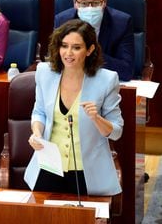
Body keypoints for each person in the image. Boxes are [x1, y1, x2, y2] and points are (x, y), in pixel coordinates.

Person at [24, 19, 123, 196]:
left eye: (76, 47)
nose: (68, 53)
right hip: (49, 166)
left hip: (87, 173)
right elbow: (39, 112)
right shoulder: (44, 72)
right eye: (64, 46)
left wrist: (97, 118)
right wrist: (37, 133)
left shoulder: (107, 80)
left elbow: (116, 131)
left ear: (90, 50)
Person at [54, 0, 134, 81]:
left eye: (96, 3)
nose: (90, 8)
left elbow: (126, 71)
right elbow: (55, 62)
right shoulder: (62, 21)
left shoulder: (122, 23)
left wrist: (90, 52)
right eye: (84, 3)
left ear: (104, 1)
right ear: (75, 2)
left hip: (106, 82)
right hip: (73, 81)